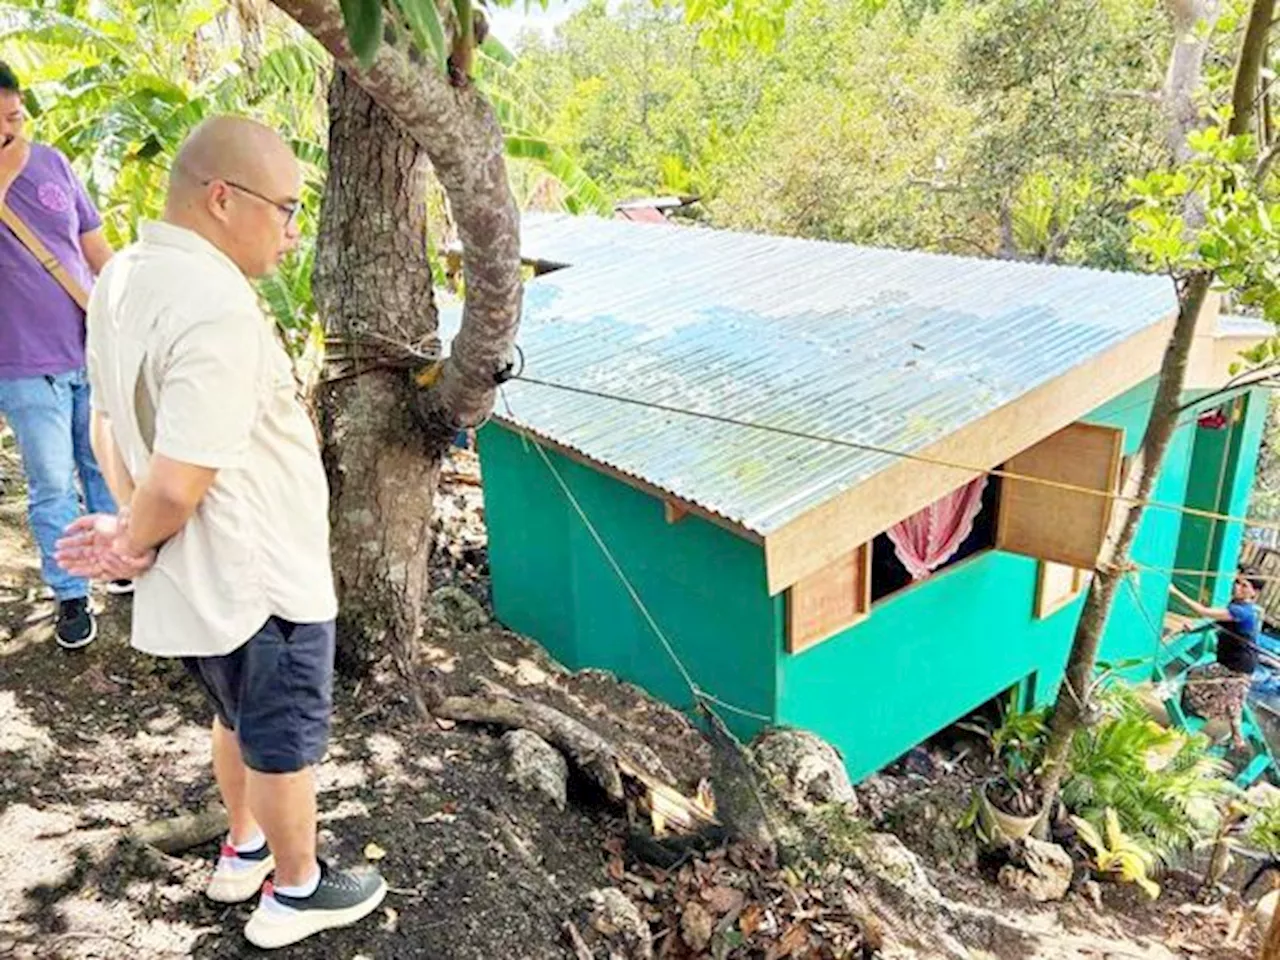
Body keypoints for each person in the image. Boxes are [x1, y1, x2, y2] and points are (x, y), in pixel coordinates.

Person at [54, 115, 385, 950]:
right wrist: (137, 534)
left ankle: (242, 848)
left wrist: (139, 532)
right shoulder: (218, 308)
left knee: (236, 714)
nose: (291, 231)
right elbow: (180, 478)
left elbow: (107, 427)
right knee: (283, 739)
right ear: (222, 199)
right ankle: (299, 889)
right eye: (285, 209)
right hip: (259, 570)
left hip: (200, 576)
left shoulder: (124, 276)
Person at [0, 59, 127, 650]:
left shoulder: (53, 163)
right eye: (1, 121)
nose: (13, 128)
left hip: (87, 347)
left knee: (101, 462)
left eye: (17, 115)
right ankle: (71, 594)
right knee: (53, 482)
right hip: (23, 365)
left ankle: (115, 557)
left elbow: (94, 248)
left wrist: (126, 310)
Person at [1170, 570, 1279, 751]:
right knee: (1235, 699)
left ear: (1254, 593)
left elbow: (1204, 612)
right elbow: (1214, 623)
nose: (1238, 587)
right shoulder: (1239, 607)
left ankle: (1196, 713)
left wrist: (1175, 592)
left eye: (1244, 585)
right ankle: (1238, 740)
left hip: (1235, 666)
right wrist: (1193, 631)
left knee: (1195, 676)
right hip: (1240, 664)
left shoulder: (1241, 612)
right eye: (1237, 582)